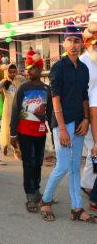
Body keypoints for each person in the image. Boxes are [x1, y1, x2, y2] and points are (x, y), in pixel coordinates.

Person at [39, 22, 95, 223]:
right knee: (63, 166)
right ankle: (45, 200)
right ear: (63, 44)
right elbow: (55, 99)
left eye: (77, 41)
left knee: (74, 166)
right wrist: (62, 128)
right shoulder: (57, 68)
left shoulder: (83, 69)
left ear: (82, 44)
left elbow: (84, 97)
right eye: (70, 40)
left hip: (80, 122)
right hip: (62, 123)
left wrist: (87, 119)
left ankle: (77, 208)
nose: (73, 44)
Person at [10, 54, 52, 212]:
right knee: (29, 163)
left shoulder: (46, 89)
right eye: (27, 69)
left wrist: (55, 132)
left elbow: (50, 113)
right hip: (24, 131)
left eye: (32, 68)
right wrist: (13, 133)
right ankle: (30, 195)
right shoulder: (23, 87)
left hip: (40, 132)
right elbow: (15, 111)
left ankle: (37, 191)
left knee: (38, 162)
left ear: (40, 69)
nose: (28, 71)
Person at [80, 22, 97, 196]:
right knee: (94, 149)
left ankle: (89, 183)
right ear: (86, 42)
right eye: (93, 40)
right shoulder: (83, 62)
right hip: (87, 115)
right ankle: (87, 184)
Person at [0, 64, 23, 159]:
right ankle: (5, 145)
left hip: (19, 106)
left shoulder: (20, 79)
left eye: (14, 72)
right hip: (8, 107)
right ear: (7, 72)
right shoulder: (4, 82)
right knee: (7, 126)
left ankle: (16, 149)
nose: (12, 74)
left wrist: (23, 74)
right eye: (10, 72)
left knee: (18, 127)